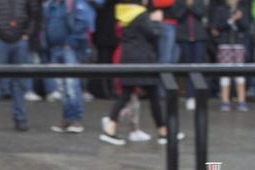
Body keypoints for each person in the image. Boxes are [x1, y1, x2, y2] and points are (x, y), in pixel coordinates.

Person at [100, 1, 175, 145]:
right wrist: (156, 21)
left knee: (129, 93)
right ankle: (162, 131)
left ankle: (162, 130)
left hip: (128, 56)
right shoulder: (141, 14)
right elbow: (153, 33)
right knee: (149, 95)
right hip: (143, 58)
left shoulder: (124, 12)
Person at [0, 0, 40, 132]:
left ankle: (20, 118)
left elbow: (34, 13)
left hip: (20, 40)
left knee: (20, 81)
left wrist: (27, 34)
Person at [43, 0, 96, 133]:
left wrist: (71, 41)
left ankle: (75, 120)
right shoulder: (52, 4)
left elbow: (85, 21)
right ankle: (67, 118)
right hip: (56, 49)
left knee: (71, 85)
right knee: (62, 87)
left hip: (69, 49)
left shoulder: (74, 3)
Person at [211, 0, 252, 111]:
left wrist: (239, 18)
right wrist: (232, 20)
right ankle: (225, 102)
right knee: (225, 74)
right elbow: (217, 27)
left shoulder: (242, 10)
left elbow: (246, 26)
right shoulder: (220, 10)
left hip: (239, 45)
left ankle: (242, 101)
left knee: (240, 74)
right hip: (225, 45)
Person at [175, 0, 209, 111]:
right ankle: (190, 96)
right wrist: (186, 5)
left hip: (199, 38)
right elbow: (177, 15)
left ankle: (199, 95)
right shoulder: (179, 2)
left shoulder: (199, 1)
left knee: (198, 68)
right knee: (188, 68)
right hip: (184, 38)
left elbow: (201, 13)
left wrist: (192, 5)